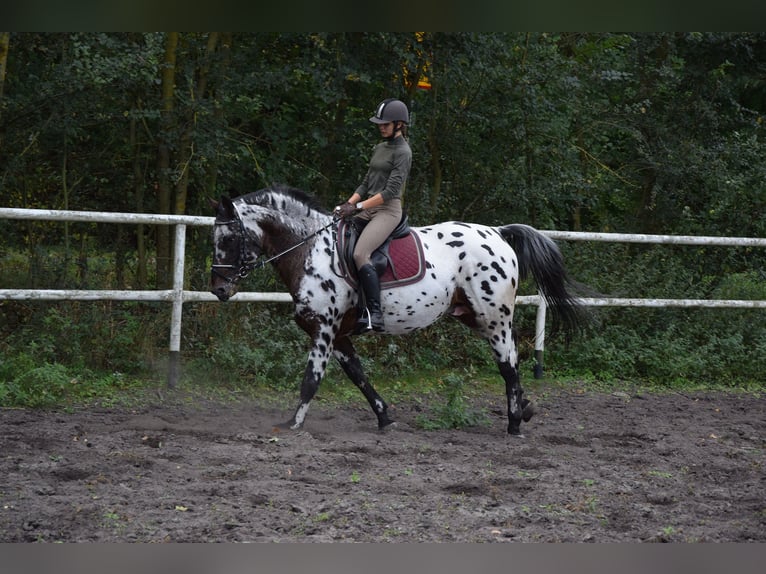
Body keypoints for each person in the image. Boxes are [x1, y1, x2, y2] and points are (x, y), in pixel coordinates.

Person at [335, 98, 412, 333]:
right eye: (379, 123)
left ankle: (373, 314)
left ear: (399, 124)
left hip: (387, 211)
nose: (381, 126)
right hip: (367, 207)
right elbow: (367, 182)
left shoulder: (403, 152)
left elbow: (389, 192)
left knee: (360, 253)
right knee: (338, 237)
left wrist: (357, 208)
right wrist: (347, 204)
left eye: (386, 123)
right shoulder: (380, 148)